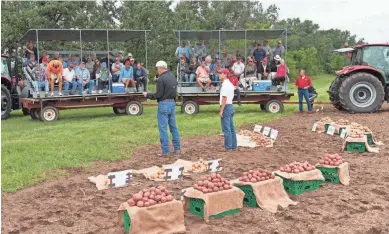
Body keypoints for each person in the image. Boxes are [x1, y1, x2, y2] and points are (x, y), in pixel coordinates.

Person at [142, 61, 180, 156]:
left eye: (157, 68)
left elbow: (158, 94)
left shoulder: (161, 79)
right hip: (172, 103)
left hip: (164, 104)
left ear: (160, 68)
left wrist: (148, 95)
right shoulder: (172, 77)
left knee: (163, 128)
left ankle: (165, 151)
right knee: (173, 127)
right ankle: (177, 148)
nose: (157, 70)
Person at [218, 68, 237, 151]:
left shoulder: (225, 85)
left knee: (226, 128)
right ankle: (233, 145)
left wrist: (221, 110)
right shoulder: (230, 83)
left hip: (226, 106)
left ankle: (228, 147)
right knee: (231, 127)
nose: (219, 75)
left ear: (225, 74)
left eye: (220, 73)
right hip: (230, 106)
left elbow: (224, 98)